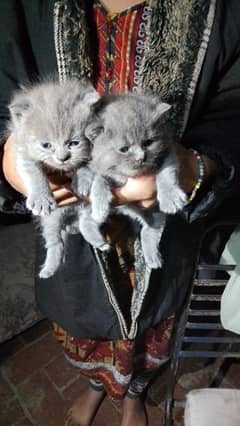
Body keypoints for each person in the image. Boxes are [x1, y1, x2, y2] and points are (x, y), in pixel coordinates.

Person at [1, 1, 240, 425]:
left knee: (154, 329)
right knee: (81, 324)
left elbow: (234, 108)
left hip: (170, 229)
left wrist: (194, 166)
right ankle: (96, 385)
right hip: (78, 238)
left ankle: (133, 395)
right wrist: (11, 161)